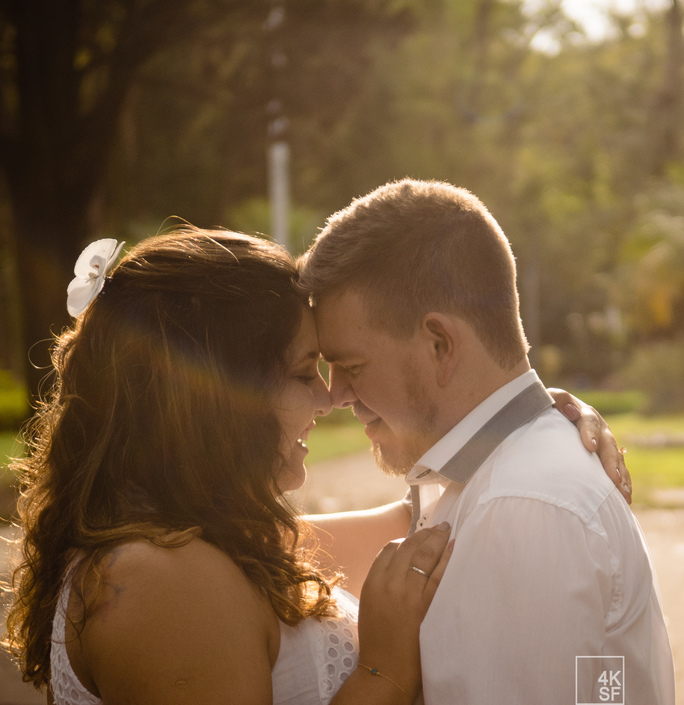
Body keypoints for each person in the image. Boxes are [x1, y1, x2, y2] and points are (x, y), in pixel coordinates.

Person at [3, 228, 626, 704]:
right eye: (305, 373)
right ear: (217, 398)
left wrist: (526, 422)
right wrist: (381, 672)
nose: (330, 398)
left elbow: (420, 524)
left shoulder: (198, 547)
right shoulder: (159, 580)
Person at [299, 179, 675, 705]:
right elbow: (602, 685)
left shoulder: (521, 507)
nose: (336, 395)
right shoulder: (497, 480)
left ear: (440, 344)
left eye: (351, 365)